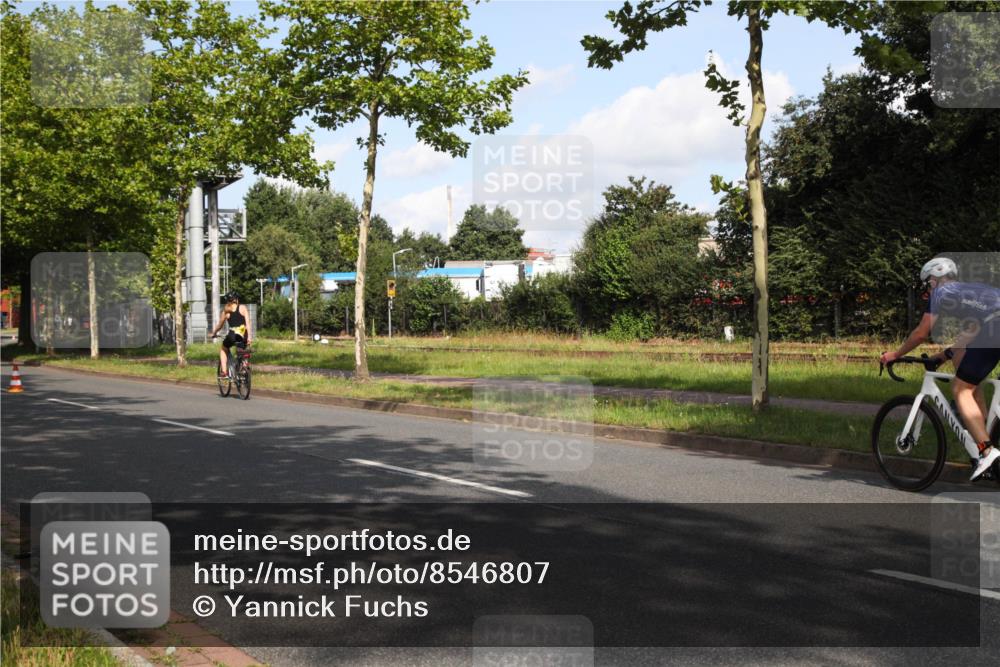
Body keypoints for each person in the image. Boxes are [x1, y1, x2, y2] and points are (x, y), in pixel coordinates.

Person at [880, 257, 1000, 480]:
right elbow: (970, 335)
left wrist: (895, 355)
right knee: (971, 380)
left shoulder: (942, 293)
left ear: (934, 279)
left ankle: (986, 451)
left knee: (960, 389)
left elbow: (921, 333)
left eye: (928, 283)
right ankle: (982, 443)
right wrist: (943, 356)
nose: (929, 287)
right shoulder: (971, 292)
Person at [210, 292, 252, 379]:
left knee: (223, 349)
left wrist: (214, 333)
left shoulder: (226, 311)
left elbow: (220, 325)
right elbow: (248, 323)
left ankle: (224, 372)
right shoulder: (243, 308)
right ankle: (244, 368)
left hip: (232, 335)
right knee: (241, 350)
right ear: (236, 300)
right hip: (244, 334)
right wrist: (249, 337)